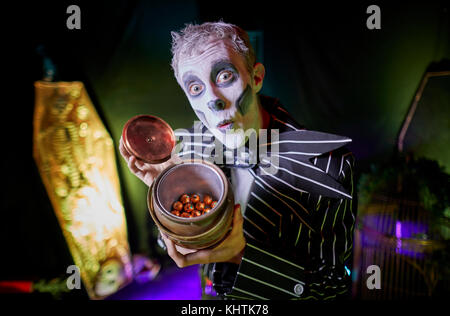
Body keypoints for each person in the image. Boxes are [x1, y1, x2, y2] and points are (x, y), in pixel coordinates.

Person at [119, 21, 356, 300]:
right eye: (196, 88)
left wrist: (241, 255)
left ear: (255, 78)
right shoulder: (193, 148)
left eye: (223, 77)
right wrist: (166, 189)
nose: (213, 101)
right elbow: (173, 242)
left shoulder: (328, 165)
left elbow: (334, 284)